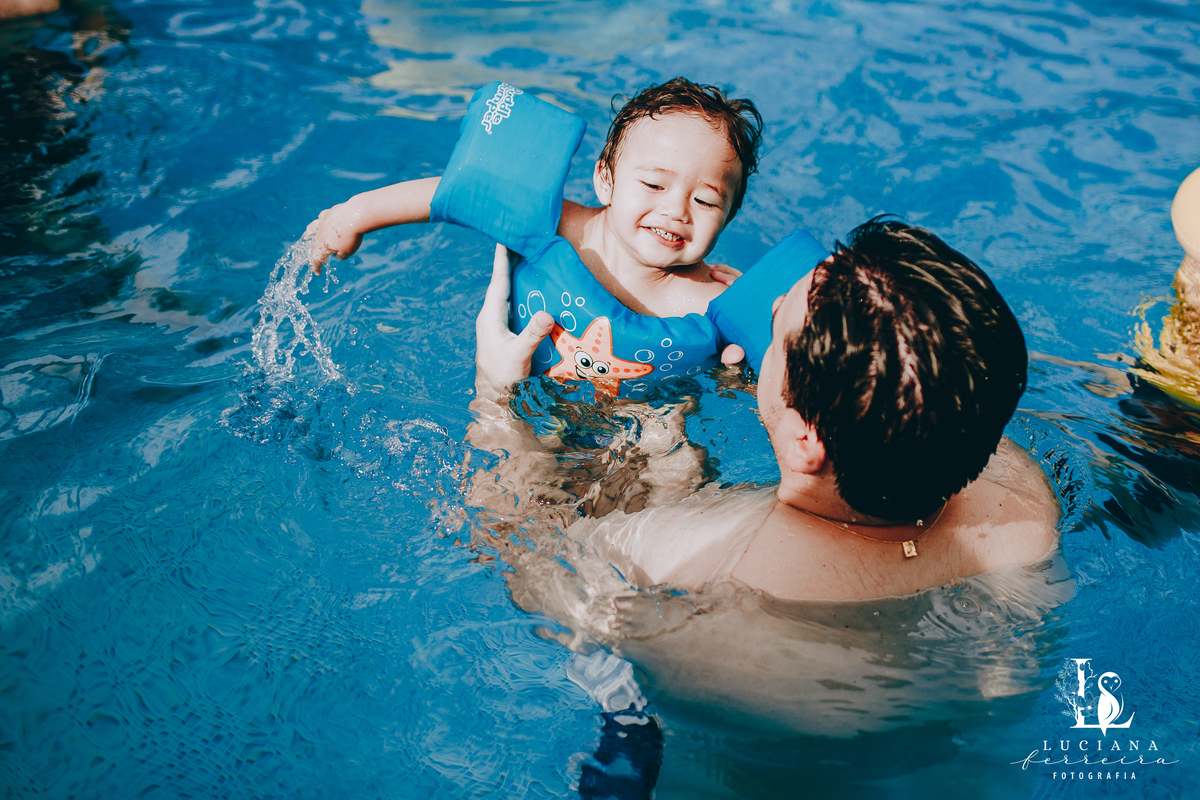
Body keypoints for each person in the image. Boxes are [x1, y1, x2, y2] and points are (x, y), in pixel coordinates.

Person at [468, 217, 1061, 603]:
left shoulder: (701, 559)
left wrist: (496, 395)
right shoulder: (1020, 504)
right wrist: (785, 378)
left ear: (807, 440)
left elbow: (521, 552)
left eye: (779, 326)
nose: (772, 297)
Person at [305, 77, 762, 324]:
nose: (676, 211)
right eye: (654, 186)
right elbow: (455, 197)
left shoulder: (713, 302)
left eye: (704, 201)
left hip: (645, 422)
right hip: (536, 401)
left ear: (729, 216)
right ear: (605, 180)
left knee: (675, 461)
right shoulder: (564, 228)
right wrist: (355, 215)